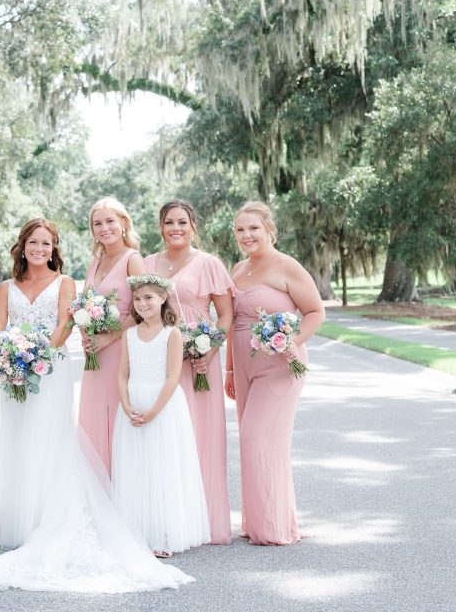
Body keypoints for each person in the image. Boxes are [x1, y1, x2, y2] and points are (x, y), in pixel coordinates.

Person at [0, 219, 193, 593]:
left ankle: (48, 518)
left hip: (50, 368)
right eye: (33, 243)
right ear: (22, 246)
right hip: (14, 370)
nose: (39, 249)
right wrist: (11, 358)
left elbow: (64, 326)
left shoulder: (65, 283)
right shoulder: (8, 287)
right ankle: (22, 523)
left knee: (49, 439)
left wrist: (37, 355)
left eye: (46, 243)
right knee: (18, 440)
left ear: (53, 248)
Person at [226, 201, 324, 545]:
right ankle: (259, 521)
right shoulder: (237, 270)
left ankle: (274, 527)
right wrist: (228, 370)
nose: (246, 235)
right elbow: (232, 322)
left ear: (269, 230)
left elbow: (315, 312)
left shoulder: (287, 266)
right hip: (243, 364)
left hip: (281, 364)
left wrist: (291, 343)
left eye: (253, 228)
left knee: (258, 436)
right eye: (240, 230)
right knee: (254, 440)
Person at [143, 199, 233, 544]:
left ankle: (203, 521)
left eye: (182, 222)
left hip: (197, 361)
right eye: (168, 222)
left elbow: (224, 315)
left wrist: (209, 349)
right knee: (164, 438)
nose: (175, 228)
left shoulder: (209, 264)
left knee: (198, 436)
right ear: (161, 227)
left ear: (193, 226)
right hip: (157, 359)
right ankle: (166, 521)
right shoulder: (149, 263)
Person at [112, 274, 209, 558]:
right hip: (133, 403)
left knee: (161, 465)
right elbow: (121, 373)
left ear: (163, 298)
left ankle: (164, 533)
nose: (142, 304)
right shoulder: (128, 334)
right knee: (135, 465)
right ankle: (137, 531)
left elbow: (172, 376)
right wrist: (126, 404)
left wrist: (153, 411)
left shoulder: (172, 333)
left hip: (162, 406)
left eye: (149, 298)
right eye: (138, 299)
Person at [77, 197, 145, 475]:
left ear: (124, 223)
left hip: (120, 350)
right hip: (95, 352)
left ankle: (119, 486)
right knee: (93, 417)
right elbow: (81, 304)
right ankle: (95, 485)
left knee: (115, 416)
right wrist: (86, 333)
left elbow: (144, 311)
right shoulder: (95, 261)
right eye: (97, 224)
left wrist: (108, 337)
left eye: (110, 221)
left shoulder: (133, 259)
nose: (104, 228)